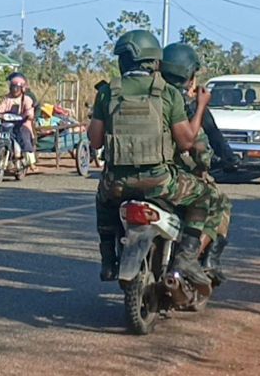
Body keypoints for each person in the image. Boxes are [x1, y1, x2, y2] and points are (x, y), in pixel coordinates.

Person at [88, 30, 214, 290]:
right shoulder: (167, 93)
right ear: (155, 62)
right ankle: (187, 258)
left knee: (103, 200)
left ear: (122, 61)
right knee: (203, 196)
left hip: (117, 183)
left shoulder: (108, 92)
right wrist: (201, 105)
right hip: (160, 182)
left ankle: (108, 258)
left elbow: (95, 141)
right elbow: (186, 142)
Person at [161, 42, 235, 285]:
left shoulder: (147, 97)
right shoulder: (188, 107)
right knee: (218, 202)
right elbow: (201, 147)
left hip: (135, 178)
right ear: (190, 76)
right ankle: (202, 260)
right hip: (173, 179)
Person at [0, 73, 36, 167]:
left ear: (22, 88)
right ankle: (1, 150)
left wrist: (28, 115)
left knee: (24, 137)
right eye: (13, 87)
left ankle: (31, 162)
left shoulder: (26, 99)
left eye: (17, 88)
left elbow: (30, 110)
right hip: (8, 124)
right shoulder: (7, 98)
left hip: (23, 124)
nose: (15, 90)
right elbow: (1, 108)